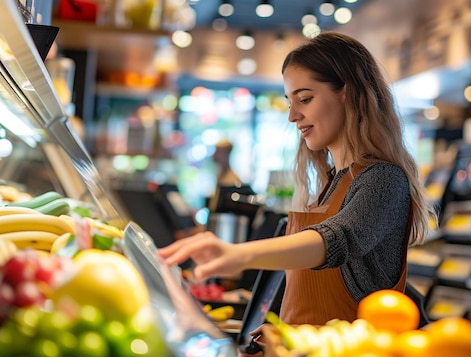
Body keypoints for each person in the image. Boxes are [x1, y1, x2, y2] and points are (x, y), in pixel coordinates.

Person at [158, 31, 435, 327]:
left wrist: (239, 254)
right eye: (290, 101)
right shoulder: (331, 185)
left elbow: (335, 240)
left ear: (348, 92)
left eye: (305, 98)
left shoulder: (383, 180)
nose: (293, 115)